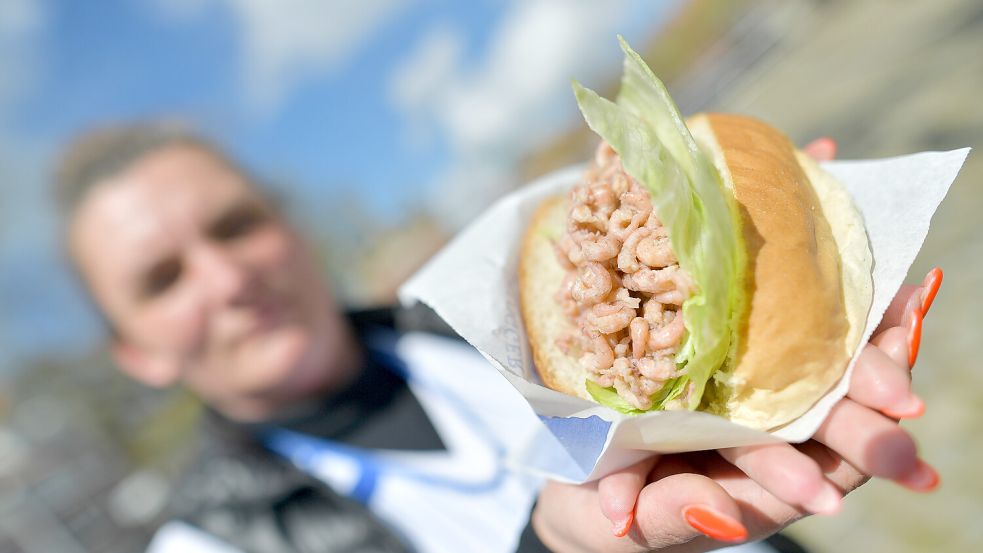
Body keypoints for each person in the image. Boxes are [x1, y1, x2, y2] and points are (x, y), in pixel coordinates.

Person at [54, 124, 940, 553]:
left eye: (235, 224)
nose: (225, 278)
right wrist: (553, 545)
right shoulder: (203, 545)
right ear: (138, 352)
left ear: (290, 227)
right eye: (162, 279)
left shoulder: (488, 316)